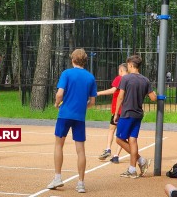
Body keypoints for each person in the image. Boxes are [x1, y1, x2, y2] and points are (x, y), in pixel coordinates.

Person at [47, 48, 97, 193]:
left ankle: (57, 177)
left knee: (58, 145)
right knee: (80, 150)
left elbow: (59, 93)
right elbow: (92, 101)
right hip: (79, 117)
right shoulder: (90, 77)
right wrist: (82, 106)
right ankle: (81, 183)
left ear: (73, 60)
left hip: (64, 115)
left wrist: (57, 104)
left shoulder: (67, 73)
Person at [114, 55, 157, 178]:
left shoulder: (126, 78)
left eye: (128, 65)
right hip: (138, 114)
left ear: (131, 65)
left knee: (119, 139)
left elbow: (120, 96)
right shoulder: (145, 80)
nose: (127, 67)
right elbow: (153, 98)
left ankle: (141, 160)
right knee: (132, 140)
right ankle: (132, 169)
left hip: (127, 113)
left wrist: (116, 113)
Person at [97, 63, 128, 163]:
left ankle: (108, 149)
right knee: (122, 135)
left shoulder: (120, 78)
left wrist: (98, 93)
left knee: (111, 130)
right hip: (127, 110)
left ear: (121, 70)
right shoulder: (131, 79)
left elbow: (113, 90)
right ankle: (116, 156)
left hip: (118, 110)